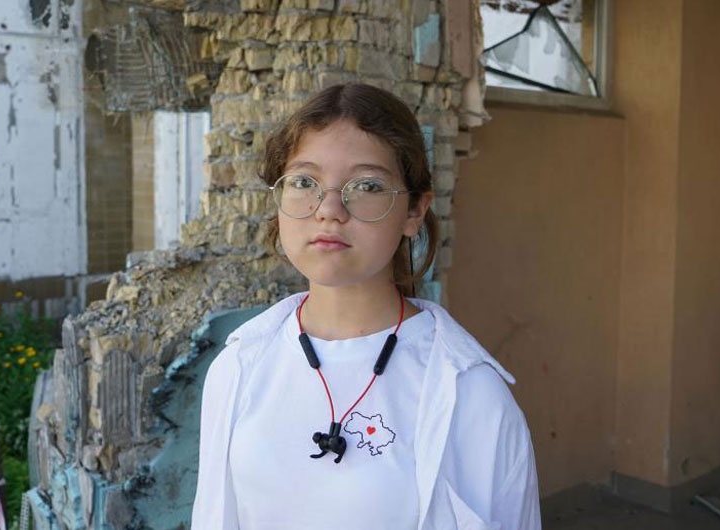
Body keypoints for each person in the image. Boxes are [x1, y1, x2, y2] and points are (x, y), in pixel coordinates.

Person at [191, 83, 541, 530]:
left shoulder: (471, 396)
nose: (330, 209)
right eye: (304, 182)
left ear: (414, 211)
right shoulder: (239, 365)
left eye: (367, 185)